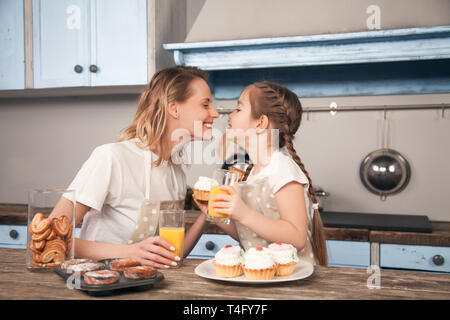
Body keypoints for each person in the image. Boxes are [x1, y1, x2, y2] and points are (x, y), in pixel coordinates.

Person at [49, 66, 219, 269]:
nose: (215, 113)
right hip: (100, 284)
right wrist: (131, 253)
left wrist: (207, 216)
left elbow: (171, 254)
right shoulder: (112, 157)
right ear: (174, 108)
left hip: (144, 285)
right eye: (205, 104)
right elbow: (52, 239)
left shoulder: (176, 174)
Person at [206, 81, 328, 266]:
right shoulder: (253, 172)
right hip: (264, 275)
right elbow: (250, 234)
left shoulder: (282, 168)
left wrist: (244, 213)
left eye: (238, 109)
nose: (230, 115)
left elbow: (297, 237)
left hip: (292, 281)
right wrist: (217, 214)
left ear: (261, 122)